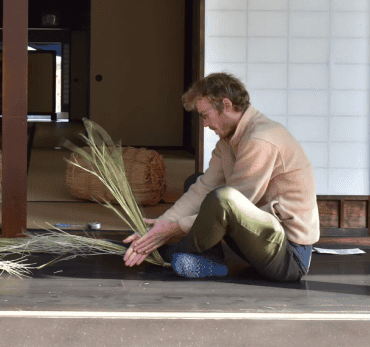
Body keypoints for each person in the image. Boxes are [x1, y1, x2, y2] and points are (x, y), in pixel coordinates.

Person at [123, 72, 319, 281]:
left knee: (224, 198)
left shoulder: (261, 139)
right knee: (196, 183)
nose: (204, 124)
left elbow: (235, 202)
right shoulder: (227, 142)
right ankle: (212, 261)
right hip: (259, 241)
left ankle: (180, 250)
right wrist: (160, 226)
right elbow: (203, 189)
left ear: (226, 105)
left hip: (288, 256)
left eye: (205, 115)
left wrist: (172, 230)